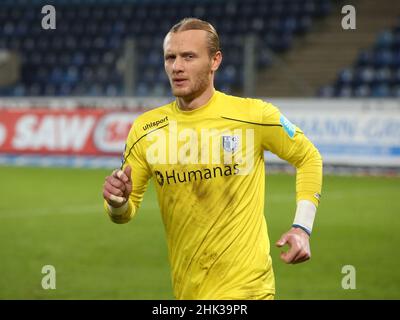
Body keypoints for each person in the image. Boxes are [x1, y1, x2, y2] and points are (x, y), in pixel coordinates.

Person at [102, 17, 322, 300]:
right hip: (187, 290)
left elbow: (309, 157)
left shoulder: (252, 115)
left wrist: (302, 227)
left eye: (189, 57)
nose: (177, 67)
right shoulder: (146, 129)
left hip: (248, 288)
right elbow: (124, 212)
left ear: (215, 61)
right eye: (170, 57)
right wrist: (116, 202)